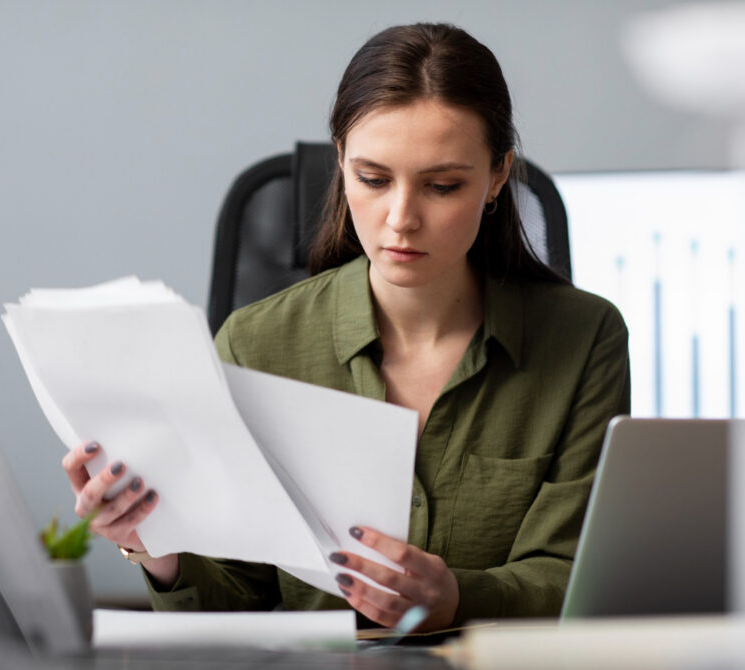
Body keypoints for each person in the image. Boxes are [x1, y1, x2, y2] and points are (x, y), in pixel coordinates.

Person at [62, 22, 630, 632]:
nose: (402, 219)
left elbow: (572, 572)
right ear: (341, 163)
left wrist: (457, 598)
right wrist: (154, 544)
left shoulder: (585, 338)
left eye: (443, 186)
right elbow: (233, 597)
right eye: (373, 179)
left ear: (497, 177)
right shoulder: (255, 344)